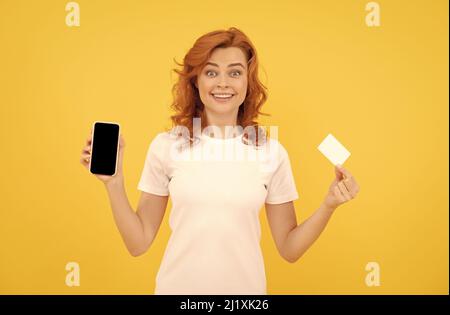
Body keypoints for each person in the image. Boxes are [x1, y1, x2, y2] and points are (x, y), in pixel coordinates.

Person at [79, 27, 360, 295]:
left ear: (247, 83)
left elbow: (289, 249)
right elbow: (138, 243)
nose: (223, 83)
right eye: (211, 72)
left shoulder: (271, 153)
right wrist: (114, 184)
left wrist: (328, 205)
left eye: (234, 72)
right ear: (195, 81)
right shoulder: (167, 147)